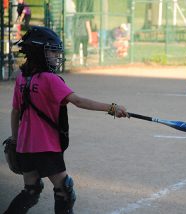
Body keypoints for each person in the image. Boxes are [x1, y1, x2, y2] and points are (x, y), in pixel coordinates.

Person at [4, 26, 128, 214]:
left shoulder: (22, 78)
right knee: (65, 190)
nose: (56, 55)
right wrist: (111, 108)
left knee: (31, 191)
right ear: (39, 52)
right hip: (45, 147)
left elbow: (15, 112)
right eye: (52, 51)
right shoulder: (50, 79)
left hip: (24, 147)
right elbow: (78, 101)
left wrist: (15, 140)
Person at [72, 0, 93, 66]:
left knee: (77, 50)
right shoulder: (85, 17)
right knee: (84, 49)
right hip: (84, 35)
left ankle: (75, 60)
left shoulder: (77, 16)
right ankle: (84, 62)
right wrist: (90, 37)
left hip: (78, 34)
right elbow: (88, 27)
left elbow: (74, 26)